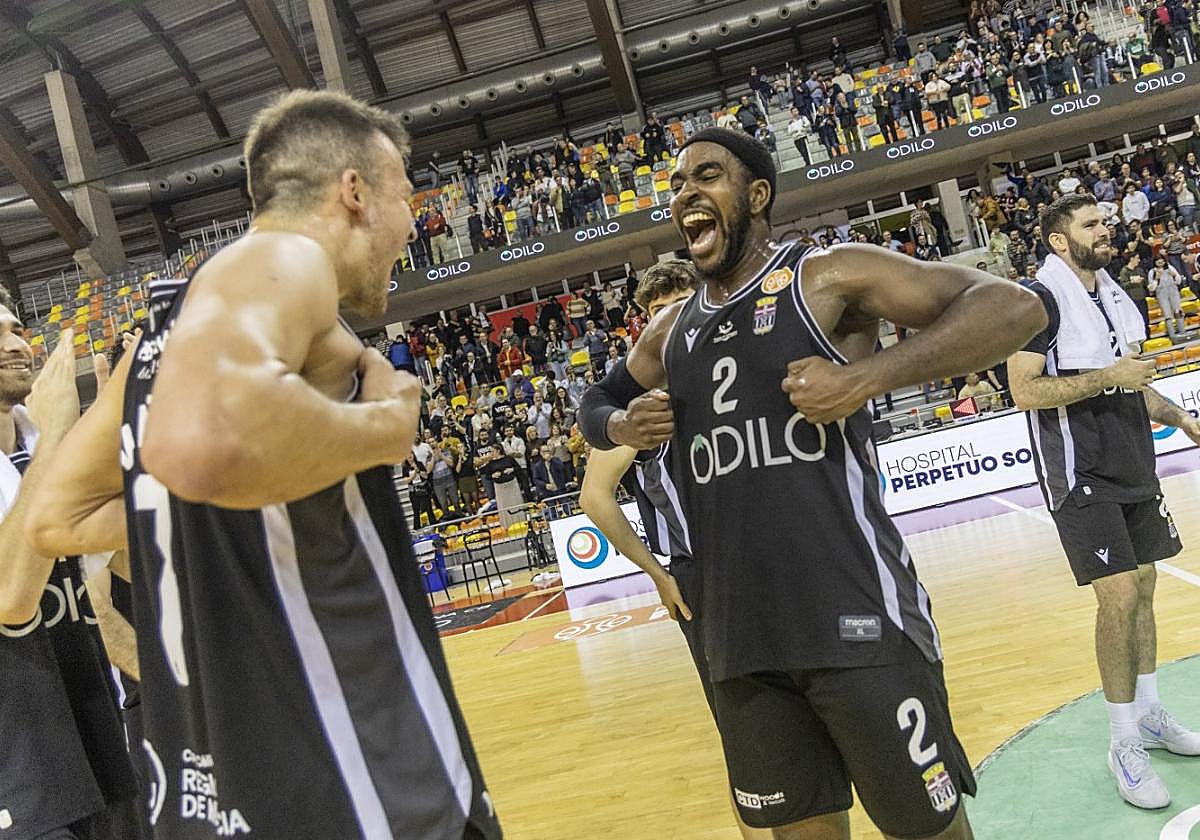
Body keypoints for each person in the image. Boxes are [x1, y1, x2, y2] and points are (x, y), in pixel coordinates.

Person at [25, 90, 501, 839]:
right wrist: (386, 426)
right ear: (354, 191)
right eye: (407, 195)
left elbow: (56, 518)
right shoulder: (283, 258)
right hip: (355, 778)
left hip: (221, 789)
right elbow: (199, 447)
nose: (414, 223)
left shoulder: (155, 341)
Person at [577, 126, 1046, 839]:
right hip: (738, 638)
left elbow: (1016, 309)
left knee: (926, 828)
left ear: (757, 194)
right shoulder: (668, 331)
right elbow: (594, 405)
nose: (684, 195)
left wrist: (866, 378)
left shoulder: (826, 275)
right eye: (675, 185)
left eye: (706, 176)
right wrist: (621, 427)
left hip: (856, 619)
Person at [1008, 193, 1200, 812]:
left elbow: (1133, 386)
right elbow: (1024, 390)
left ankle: (1147, 713)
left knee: (1144, 583)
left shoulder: (1113, 291)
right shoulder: (1038, 301)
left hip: (1133, 461)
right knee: (1117, 595)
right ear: (1059, 241)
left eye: (1104, 221)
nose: (1106, 229)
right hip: (1079, 470)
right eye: (1091, 224)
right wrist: (1105, 379)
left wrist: (1181, 417)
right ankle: (1123, 744)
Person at [580, 260, 770, 840]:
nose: (673, 316)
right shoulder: (643, 404)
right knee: (743, 732)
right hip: (701, 577)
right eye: (659, 310)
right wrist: (659, 575)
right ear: (646, 322)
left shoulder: (736, 369)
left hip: (770, 558)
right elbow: (595, 497)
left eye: (683, 301)